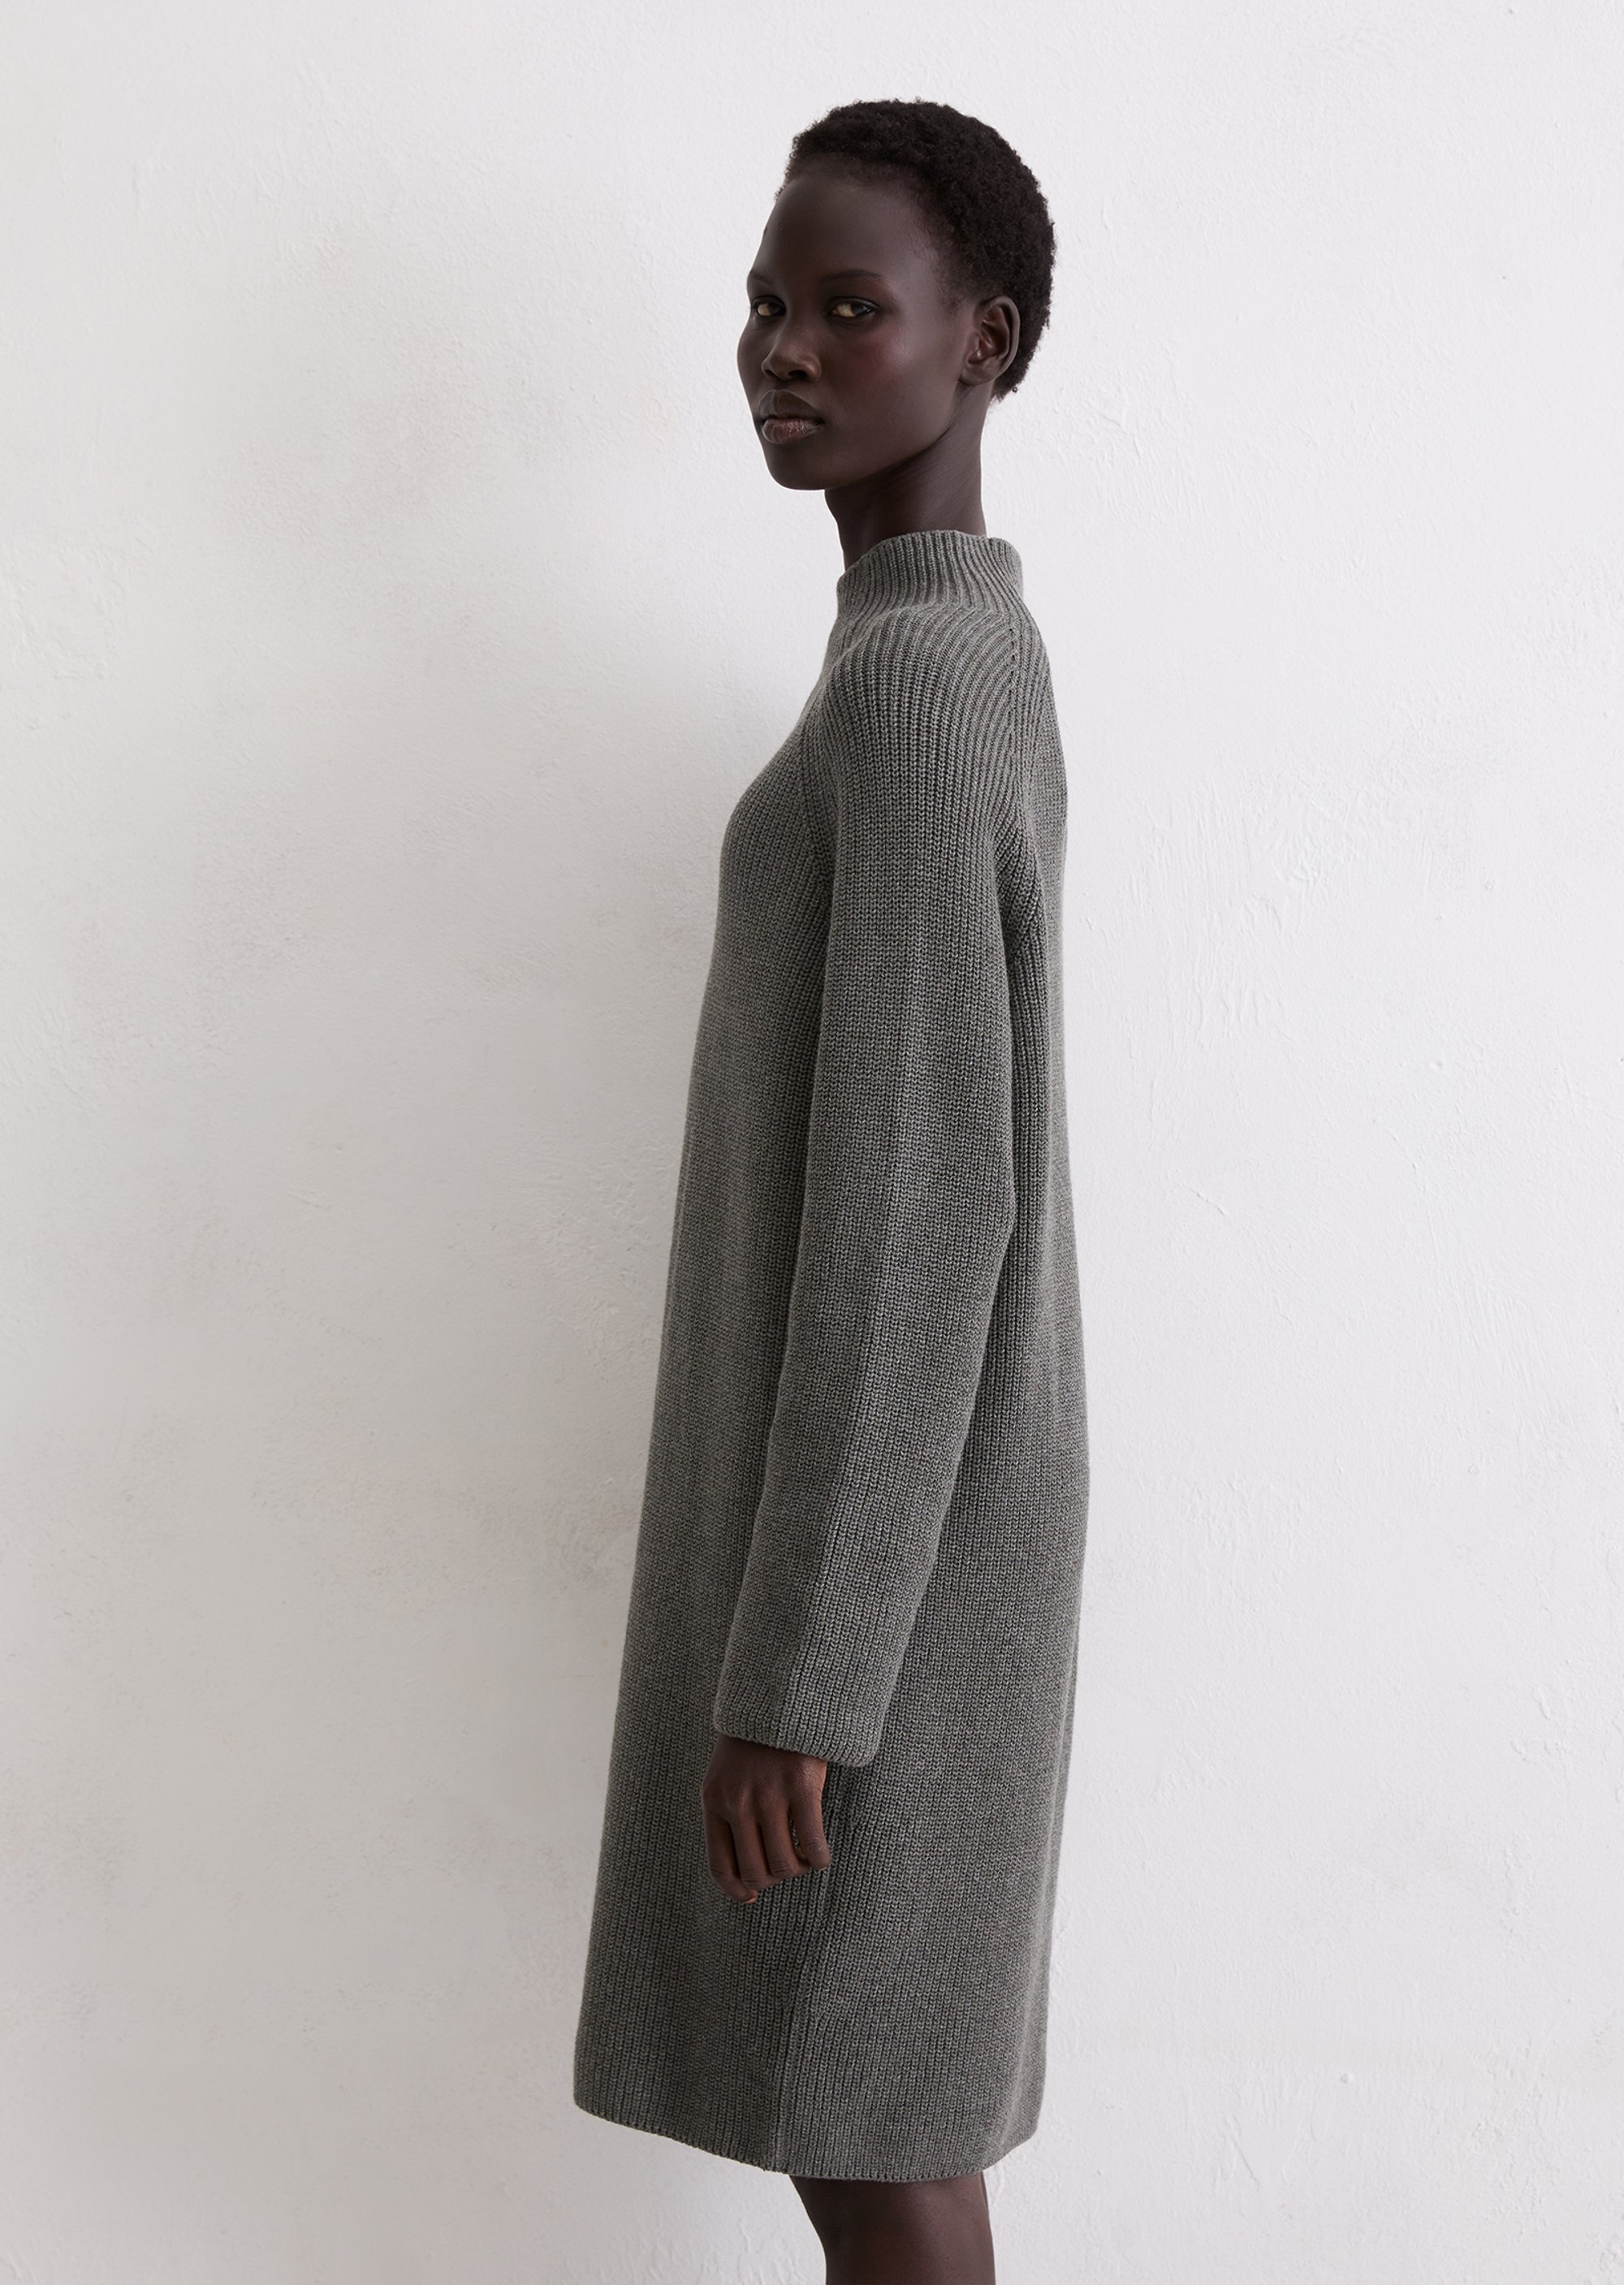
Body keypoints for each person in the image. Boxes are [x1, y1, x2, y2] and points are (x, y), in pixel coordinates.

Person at [573, 97, 1089, 2285]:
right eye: (766, 305)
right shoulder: (930, 651)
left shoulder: (919, 690)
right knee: (872, 2131)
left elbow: (917, 1214)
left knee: (876, 2134)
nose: (785, 351)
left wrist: (803, 1675)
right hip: (901, 1543)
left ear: (983, 342)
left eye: (848, 307)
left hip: (892, 1578)